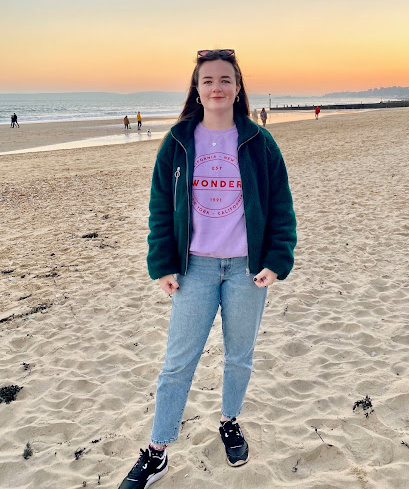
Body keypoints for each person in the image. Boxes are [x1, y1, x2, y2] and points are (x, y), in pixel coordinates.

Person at [118, 49, 296, 489]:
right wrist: (162, 264)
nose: (217, 87)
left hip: (246, 270)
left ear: (238, 88)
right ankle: (157, 451)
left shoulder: (259, 142)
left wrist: (276, 260)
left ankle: (229, 421)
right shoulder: (179, 141)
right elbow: (160, 207)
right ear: (197, 90)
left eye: (225, 80)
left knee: (239, 355)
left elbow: (281, 206)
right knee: (177, 363)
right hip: (193, 268)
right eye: (208, 80)